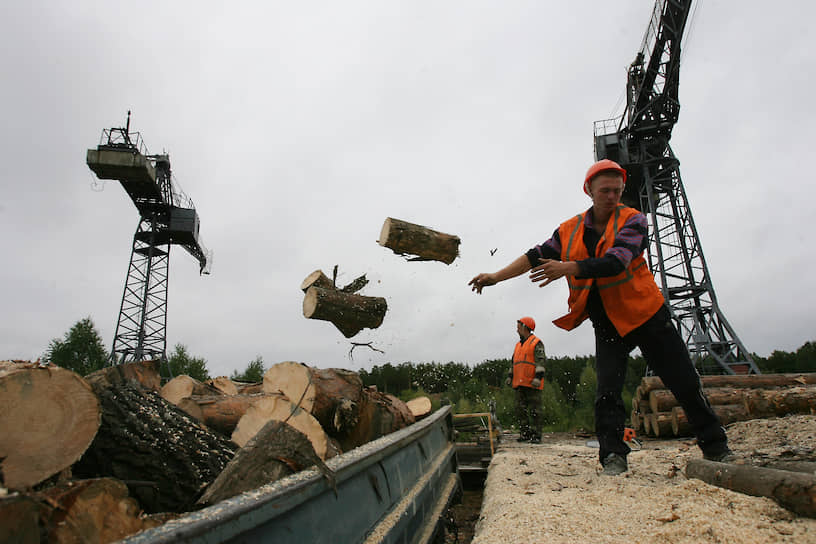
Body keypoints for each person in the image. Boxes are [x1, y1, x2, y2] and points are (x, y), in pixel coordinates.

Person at [469, 159, 732, 475]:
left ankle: (716, 447)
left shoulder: (633, 221)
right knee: (607, 391)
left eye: (617, 191)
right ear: (589, 191)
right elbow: (534, 255)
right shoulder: (568, 231)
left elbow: (616, 261)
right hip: (608, 321)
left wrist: (569, 268)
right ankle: (612, 457)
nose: (611, 196)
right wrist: (496, 277)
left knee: (684, 382)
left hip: (647, 315)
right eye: (605, 190)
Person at [508, 316, 546, 444]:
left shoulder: (536, 343)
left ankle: (536, 435)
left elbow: (541, 361)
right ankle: (525, 433)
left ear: (525, 327)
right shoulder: (518, 345)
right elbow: (513, 362)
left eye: (518, 327)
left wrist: (538, 378)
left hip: (532, 383)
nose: (517, 330)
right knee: (520, 410)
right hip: (519, 383)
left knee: (535, 410)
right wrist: (510, 376)